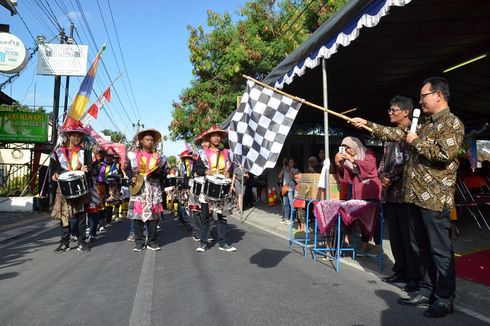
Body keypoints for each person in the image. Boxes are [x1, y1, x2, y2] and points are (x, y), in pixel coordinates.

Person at [351, 77, 463, 318]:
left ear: (439, 96)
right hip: (413, 198)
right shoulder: (422, 124)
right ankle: (426, 289)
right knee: (419, 248)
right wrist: (367, 124)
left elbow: (445, 154)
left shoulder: (451, 123)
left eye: (423, 96)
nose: (420, 101)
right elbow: (395, 134)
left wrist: (417, 141)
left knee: (439, 251)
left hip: (434, 200)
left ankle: (444, 298)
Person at [378, 96, 420, 291]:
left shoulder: (413, 132)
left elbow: (408, 163)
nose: (390, 113)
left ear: (406, 112)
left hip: (406, 195)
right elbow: (383, 160)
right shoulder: (390, 135)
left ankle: (414, 277)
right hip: (390, 195)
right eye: (389, 109)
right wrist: (381, 176)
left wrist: (391, 177)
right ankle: (400, 270)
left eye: (394, 110)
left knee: (409, 238)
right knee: (395, 236)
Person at [334, 137, 382, 254]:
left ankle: (378, 244)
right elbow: (345, 177)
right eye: (345, 149)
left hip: (372, 190)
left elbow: (370, 167)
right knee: (361, 218)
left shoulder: (367, 152)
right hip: (358, 191)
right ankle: (364, 243)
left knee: (375, 217)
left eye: (349, 148)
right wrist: (338, 164)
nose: (347, 151)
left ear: (355, 146)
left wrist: (353, 160)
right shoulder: (348, 161)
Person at [193, 125, 236, 252]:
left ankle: (223, 243)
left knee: (222, 217)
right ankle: (203, 243)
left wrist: (229, 173)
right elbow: (197, 169)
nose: (216, 138)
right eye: (214, 135)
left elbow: (232, 168)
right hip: (207, 189)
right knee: (205, 216)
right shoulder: (203, 154)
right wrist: (205, 171)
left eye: (218, 136)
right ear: (209, 138)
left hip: (222, 189)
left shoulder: (226, 153)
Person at [50, 126, 92, 252]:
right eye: (74, 135)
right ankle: (64, 243)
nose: (76, 138)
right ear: (68, 136)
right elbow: (55, 169)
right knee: (64, 216)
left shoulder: (86, 152)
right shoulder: (58, 152)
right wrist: (55, 174)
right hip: (63, 187)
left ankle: (81, 242)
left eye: (79, 136)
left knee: (81, 216)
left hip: (80, 187)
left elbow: (90, 168)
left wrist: (87, 169)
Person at [125, 128, 165, 252]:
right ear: (142, 141)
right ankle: (139, 242)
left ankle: (152, 242)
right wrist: (131, 177)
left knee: (153, 216)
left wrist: (159, 172)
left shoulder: (158, 156)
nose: (149, 142)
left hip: (153, 188)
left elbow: (163, 174)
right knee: (138, 217)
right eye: (147, 139)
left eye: (152, 140)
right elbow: (127, 169)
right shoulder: (133, 155)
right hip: (138, 187)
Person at [278, 158, 300, 224]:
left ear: (294, 163)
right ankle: (286, 218)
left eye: (291, 162)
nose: (290, 163)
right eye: (289, 162)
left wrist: (289, 170)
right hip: (285, 188)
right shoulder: (285, 169)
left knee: (291, 203)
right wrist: (283, 168)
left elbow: (293, 177)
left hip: (291, 188)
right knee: (285, 203)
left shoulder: (296, 170)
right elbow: (279, 176)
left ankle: (292, 219)